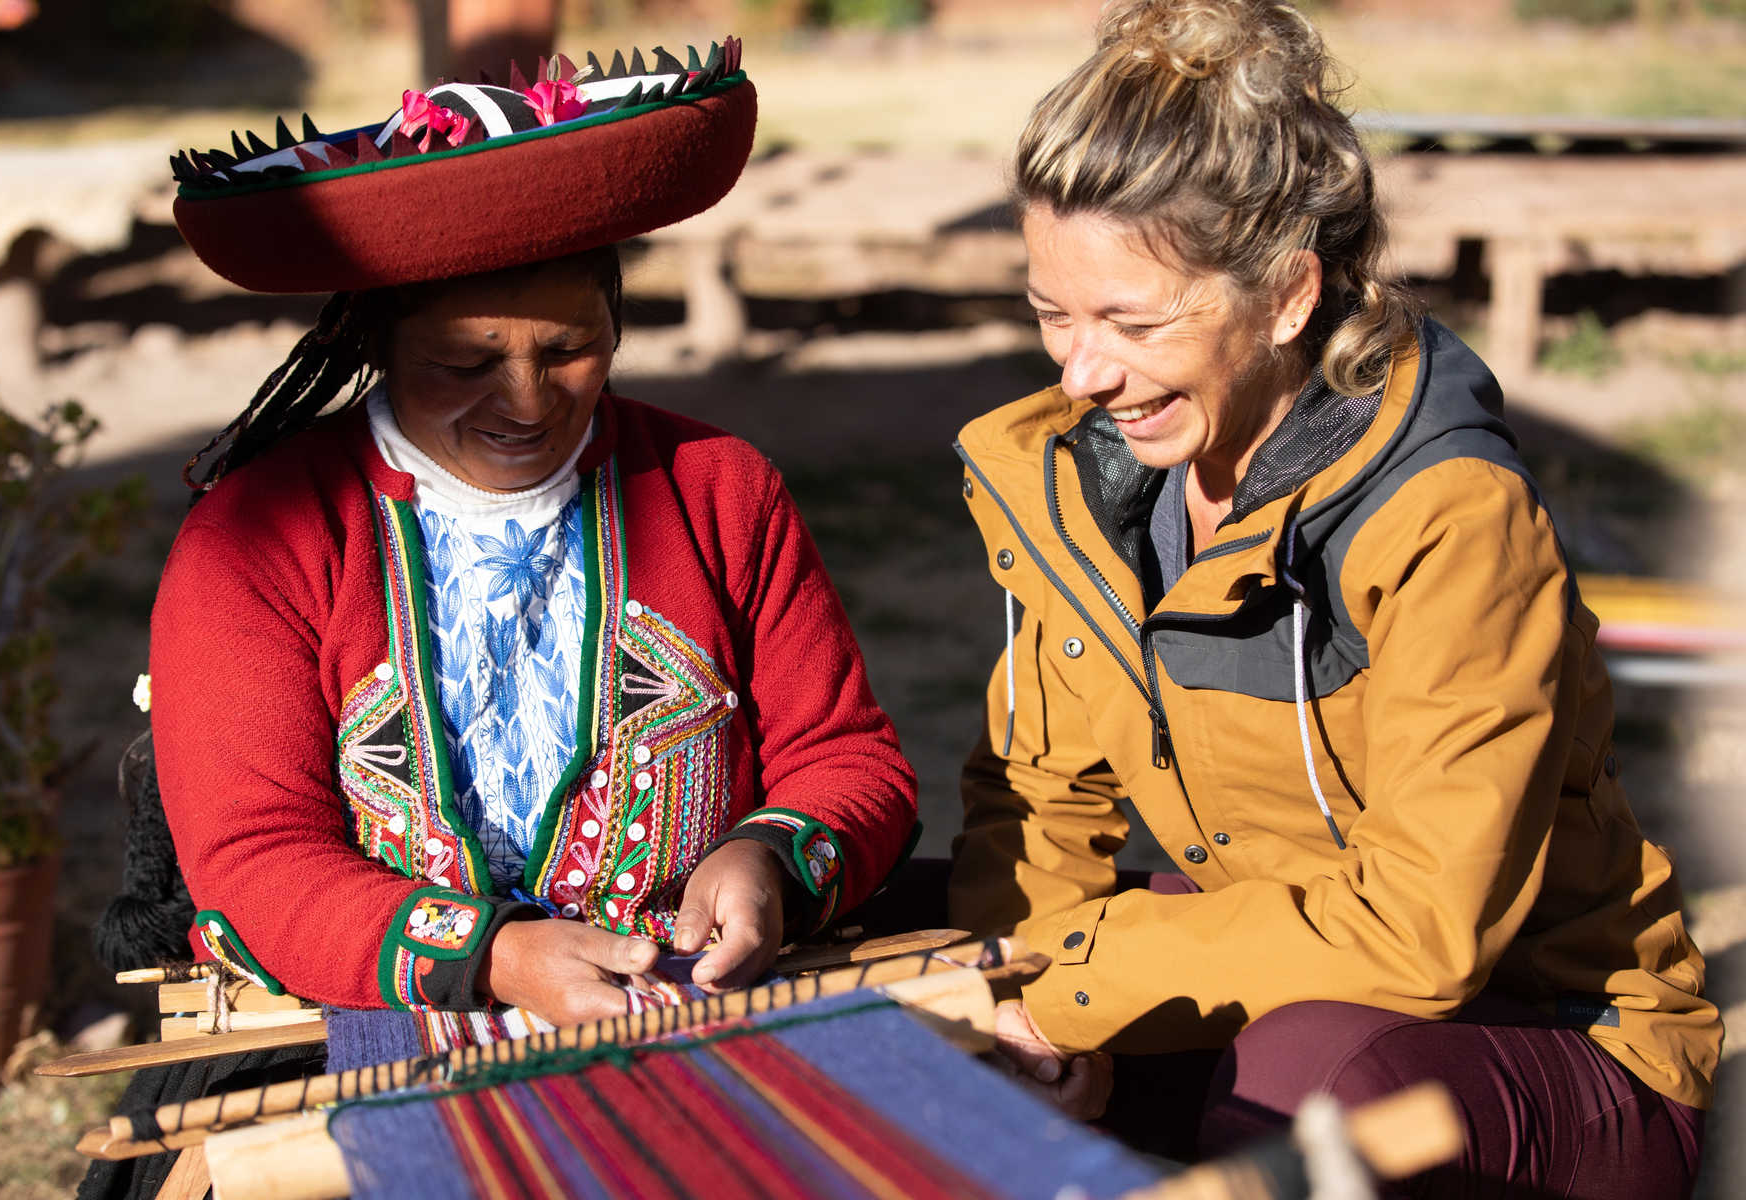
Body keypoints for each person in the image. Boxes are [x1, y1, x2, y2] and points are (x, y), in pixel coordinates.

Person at [86, 45, 916, 1198]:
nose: (526, 400)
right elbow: (251, 856)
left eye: (569, 351)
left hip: (699, 1012)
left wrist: (768, 856)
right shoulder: (258, 537)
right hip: (354, 1028)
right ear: (376, 345)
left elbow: (846, 756)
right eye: (465, 363)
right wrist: (493, 957)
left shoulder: (718, 489)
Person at [945, 3, 1718, 1195]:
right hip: (1303, 972)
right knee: (921, 1001)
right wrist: (1027, 1010)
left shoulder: (1450, 518)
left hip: (1560, 1039)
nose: (1080, 373)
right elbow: (1040, 800)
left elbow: (1424, 929)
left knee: (1304, 1086)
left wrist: (1086, 980)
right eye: (1054, 312)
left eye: (1132, 322)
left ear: (1289, 296)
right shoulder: (1087, 491)